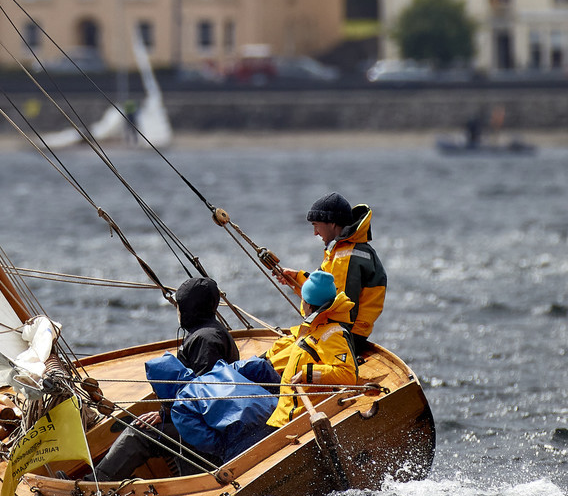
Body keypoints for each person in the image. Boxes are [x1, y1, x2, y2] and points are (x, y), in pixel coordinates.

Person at [92, 275, 237, 481]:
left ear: (189, 307)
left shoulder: (205, 339)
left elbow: (205, 392)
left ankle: (94, 486)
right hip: (209, 424)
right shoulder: (211, 332)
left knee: (140, 433)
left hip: (210, 430)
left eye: (179, 305)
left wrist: (165, 415)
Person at [262, 191, 386, 365]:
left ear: (333, 224)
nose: (314, 232)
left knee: (282, 359)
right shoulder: (342, 249)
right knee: (280, 350)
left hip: (345, 335)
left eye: (316, 225)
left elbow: (342, 309)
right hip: (338, 328)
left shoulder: (347, 256)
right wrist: (296, 278)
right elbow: (327, 292)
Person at [267, 269, 358, 427]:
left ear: (308, 305)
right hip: (283, 414)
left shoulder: (331, 334)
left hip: (292, 420)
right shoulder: (316, 322)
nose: (301, 303)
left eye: (303, 299)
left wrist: (308, 374)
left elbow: (348, 374)